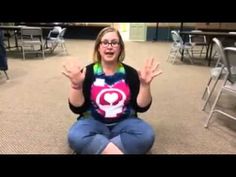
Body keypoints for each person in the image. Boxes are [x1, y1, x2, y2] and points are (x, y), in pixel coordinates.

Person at [62, 26, 162, 154]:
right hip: (92, 122)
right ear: (98, 47)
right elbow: (77, 109)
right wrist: (76, 86)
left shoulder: (130, 73)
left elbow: (141, 107)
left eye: (114, 43)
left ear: (120, 48)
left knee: (147, 135)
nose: (109, 46)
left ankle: (97, 147)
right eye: (105, 42)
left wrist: (145, 86)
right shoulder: (87, 72)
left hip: (125, 122)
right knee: (75, 136)